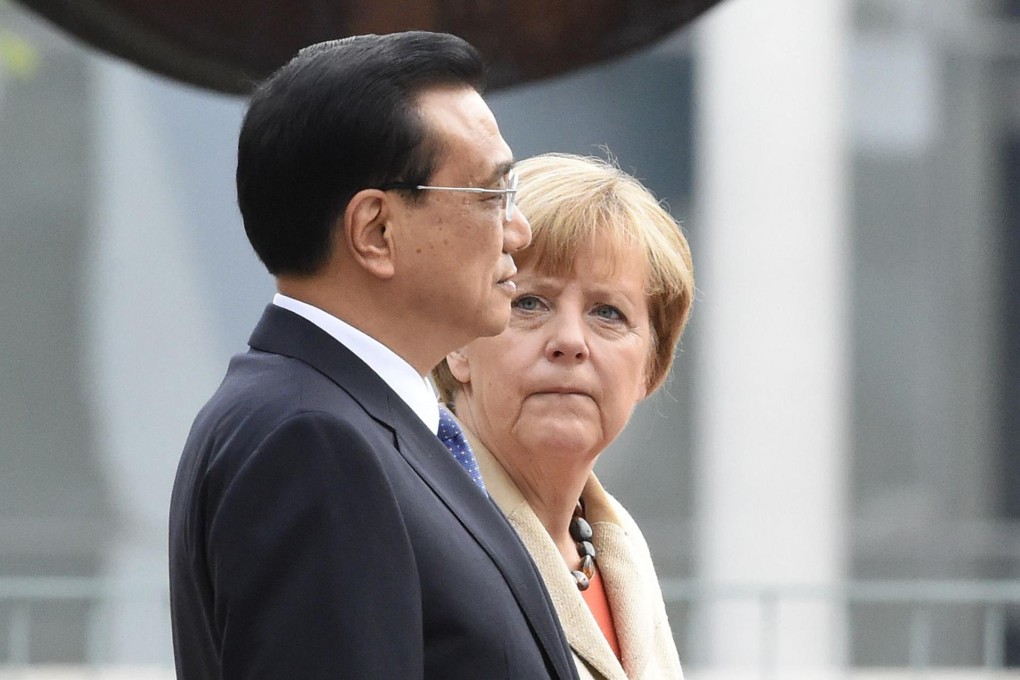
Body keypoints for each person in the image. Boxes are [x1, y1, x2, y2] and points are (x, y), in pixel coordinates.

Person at [169, 33, 579, 680]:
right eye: (492, 195)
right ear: (376, 231)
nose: (519, 230)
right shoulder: (309, 439)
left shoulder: (345, 418)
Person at [433, 152, 695, 680]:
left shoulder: (621, 550)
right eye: (529, 303)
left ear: (651, 366)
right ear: (458, 342)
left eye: (608, 313)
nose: (570, 342)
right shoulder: (410, 519)